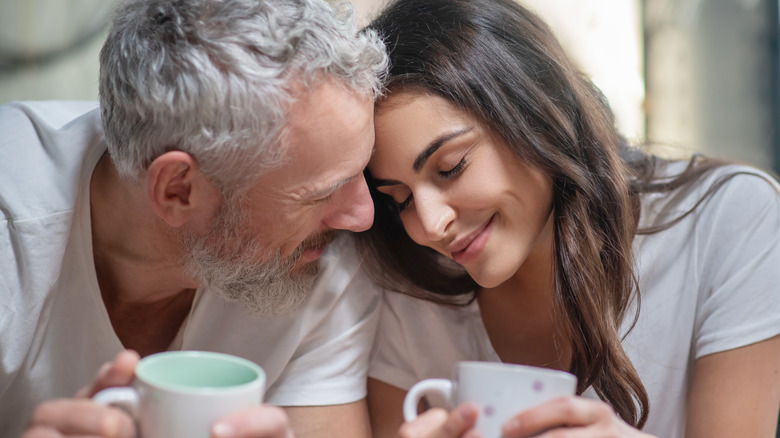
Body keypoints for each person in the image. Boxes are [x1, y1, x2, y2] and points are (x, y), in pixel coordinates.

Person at [356, 0, 780, 437]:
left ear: (538, 113)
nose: (429, 225)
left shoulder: (729, 218)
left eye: (451, 167)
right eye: (400, 199)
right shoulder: (408, 287)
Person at [0, 0, 388, 436]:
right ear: (177, 190)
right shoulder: (11, 242)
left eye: (362, 172)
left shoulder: (317, 260)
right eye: (323, 193)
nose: (363, 217)